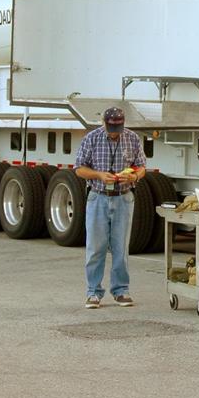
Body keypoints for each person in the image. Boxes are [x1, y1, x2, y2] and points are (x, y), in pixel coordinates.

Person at [73, 106, 146, 308]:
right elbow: (79, 168)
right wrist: (99, 175)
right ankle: (93, 292)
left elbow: (141, 166)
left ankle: (121, 290)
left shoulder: (132, 138)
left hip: (123, 196)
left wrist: (134, 176)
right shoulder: (92, 138)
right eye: (112, 128)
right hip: (99, 196)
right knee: (96, 247)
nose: (115, 132)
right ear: (104, 123)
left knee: (120, 247)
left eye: (118, 128)